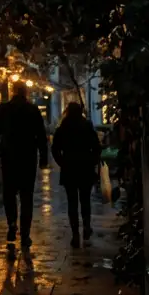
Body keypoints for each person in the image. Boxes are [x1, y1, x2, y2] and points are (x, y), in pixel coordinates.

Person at [0, 82, 48, 249]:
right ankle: (25, 234)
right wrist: (43, 158)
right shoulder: (32, 110)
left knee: (9, 193)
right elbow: (41, 136)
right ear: (26, 92)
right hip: (28, 158)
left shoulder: (3, 109)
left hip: (9, 157)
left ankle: (12, 224)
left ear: (13, 92)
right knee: (26, 196)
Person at [52, 101, 102, 248]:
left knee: (72, 202)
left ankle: (75, 233)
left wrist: (62, 162)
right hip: (85, 168)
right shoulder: (87, 126)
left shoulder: (63, 127)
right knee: (85, 200)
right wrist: (92, 161)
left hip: (69, 169)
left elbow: (55, 149)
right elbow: (96, 147)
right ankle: (86, 226)